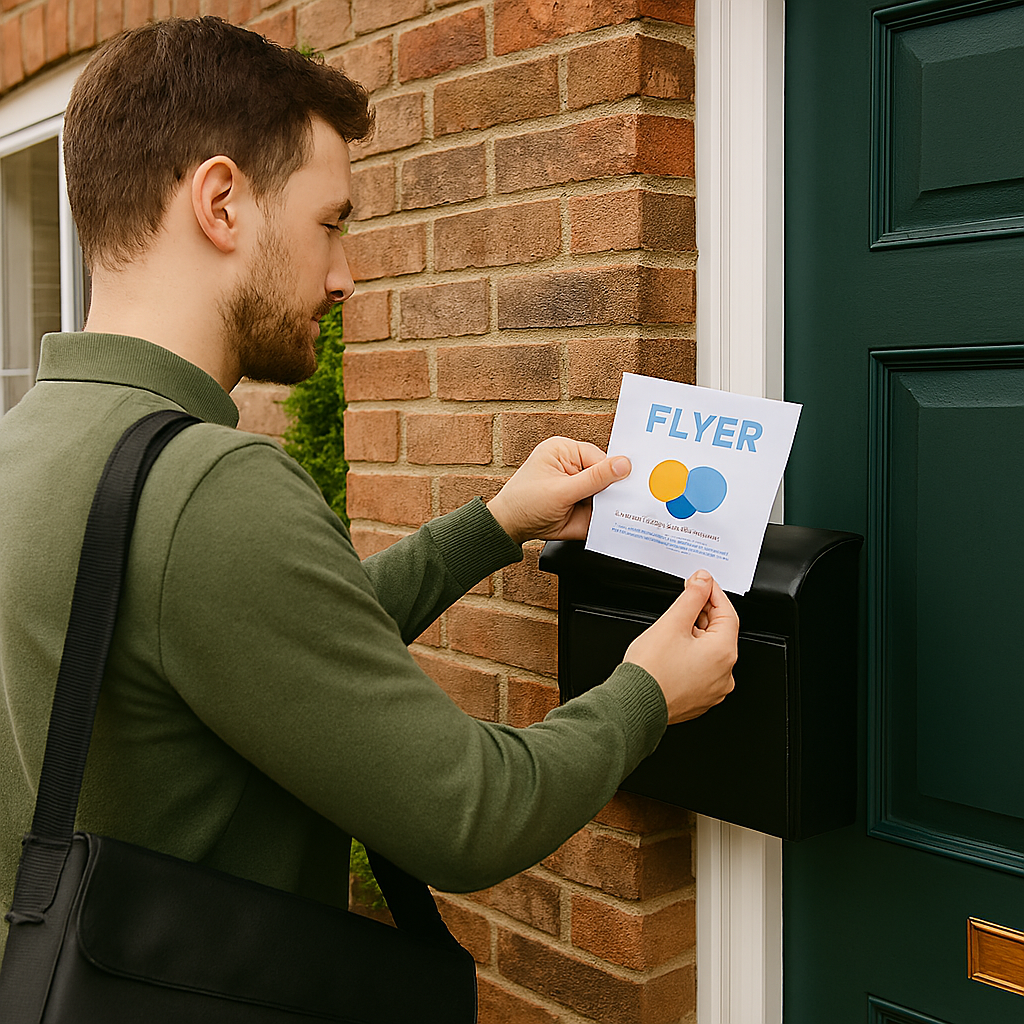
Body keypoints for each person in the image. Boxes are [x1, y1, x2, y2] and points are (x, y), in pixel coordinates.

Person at [0, 17, 738, 957]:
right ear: (220, 202)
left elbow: (270, 647)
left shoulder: (32, 442)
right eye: (331, 223)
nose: (344, 274)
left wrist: (495, 524)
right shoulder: (206, 485)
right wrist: (646, 691)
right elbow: (470, 814)